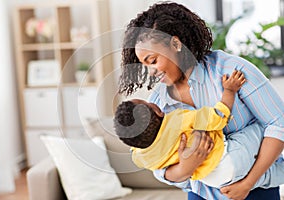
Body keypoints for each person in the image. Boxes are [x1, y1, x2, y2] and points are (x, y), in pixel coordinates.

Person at [117, 2, 284, 200]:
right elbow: (155, 160)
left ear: (176, 44)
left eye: (152, 61)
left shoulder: (230, 72)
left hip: (254, 191)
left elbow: (278, 123)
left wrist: (248, 183)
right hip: (201, 195)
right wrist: (184, 168)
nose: (150, 71)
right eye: (144, 65)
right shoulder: (158, 103)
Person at [114, 70, 284, 189]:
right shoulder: (179, 119)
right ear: (158, 111)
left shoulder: (140, 157)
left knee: (266, 176)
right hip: (229, 157)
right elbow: (218, 116)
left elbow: (151, 164)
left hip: (212, 179)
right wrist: (229, 91)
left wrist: (184, 169)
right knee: (260, 128)